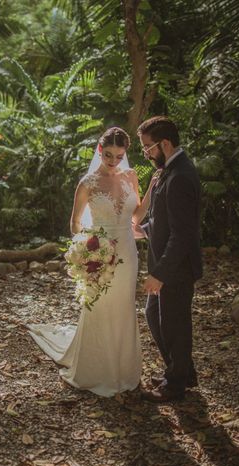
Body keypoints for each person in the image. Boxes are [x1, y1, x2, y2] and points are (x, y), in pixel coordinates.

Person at [28, 127, 157, 397]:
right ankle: (96, 369)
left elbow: (136, 217)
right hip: (101, 254)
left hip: (128, 252)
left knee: (123, 307)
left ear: (125, 154)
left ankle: (123, 370)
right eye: (108, 155)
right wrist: (89, 251)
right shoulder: (88, 183)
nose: (113, 161)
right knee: (100, 307)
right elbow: (75, 224)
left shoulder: (130, 176)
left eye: (119, 156)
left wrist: (152, 189)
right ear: (99, 151)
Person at [135, 116, 202, 402]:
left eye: (148, 148)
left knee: (174, 323)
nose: (147, 154)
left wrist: (159, 273)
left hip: (175, 268)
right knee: (155, 316)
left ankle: (175, 385)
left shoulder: (181, 175)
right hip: (166, 264)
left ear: (165, 143)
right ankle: (182, 372)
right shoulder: (169, 170)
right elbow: (165, 219)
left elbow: (183, 234)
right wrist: (144, 229)